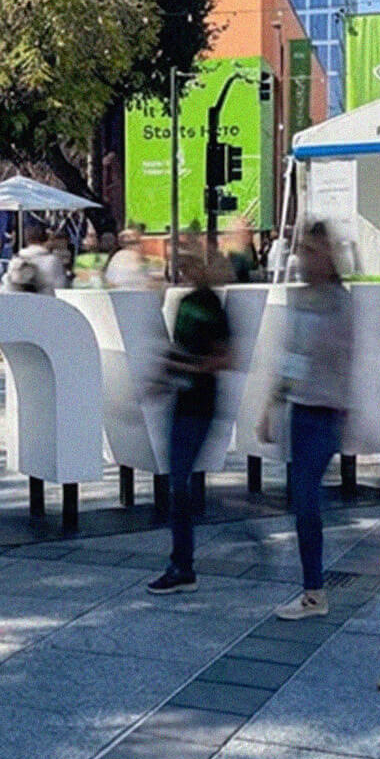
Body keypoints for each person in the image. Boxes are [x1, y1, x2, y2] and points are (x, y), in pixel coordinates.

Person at [259, 222, 353, 620]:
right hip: (301, 409)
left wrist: (352, 411)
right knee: (302, 501)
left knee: (306, 499)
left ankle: (314, 592)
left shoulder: (342, 303)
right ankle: (312, 589)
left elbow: (352, 361)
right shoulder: (300, 300)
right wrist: (273, 403)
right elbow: (292, 358)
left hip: (327, 411)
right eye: (304, 250)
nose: (305, 259)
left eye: (314, 251)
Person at [146, 247, 231, 594]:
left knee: (179, 483)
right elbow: (177, 349)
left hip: (200, 402)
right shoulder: (183, 305)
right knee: (177, 483)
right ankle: (181, 562)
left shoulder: (212, 305)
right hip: (181, 401)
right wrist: (163, 378)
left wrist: (189, 369)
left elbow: (224, 356)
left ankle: (182, 565)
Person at [3, 225, 65, 293]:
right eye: (51, 240)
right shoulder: (52, 261)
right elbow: (59, 287)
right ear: (46, 241)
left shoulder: (16, 259)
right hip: (44, 301)